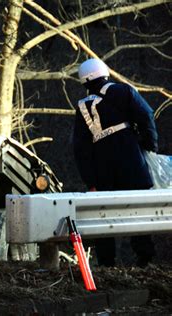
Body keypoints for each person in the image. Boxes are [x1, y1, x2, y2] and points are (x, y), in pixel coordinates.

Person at [72, 58, 158, 267]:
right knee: (138, 206)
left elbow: (80, 147)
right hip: (130, 157)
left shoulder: (83, 106)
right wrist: (150, 145)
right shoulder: (123, 91)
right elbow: (146, 114)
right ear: (105, 73)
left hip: (102, 165)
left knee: (103, 212)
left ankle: (106, 263)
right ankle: (144, 258)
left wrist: (90, 179)